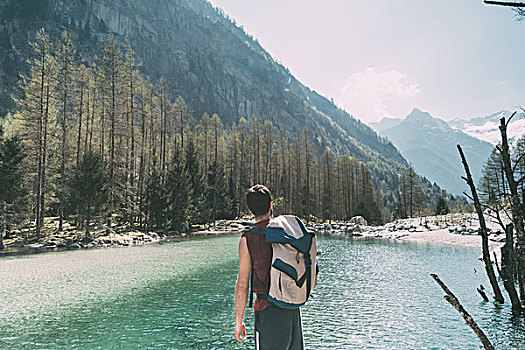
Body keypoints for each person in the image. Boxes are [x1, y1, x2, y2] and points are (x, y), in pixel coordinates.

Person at [234, 184, 305, 350]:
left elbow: (243, 284)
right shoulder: (285, 231)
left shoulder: (248, 239)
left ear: (250, 210)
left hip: (268, 312)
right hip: (292, 307)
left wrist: (239, 322)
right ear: (271, 206)